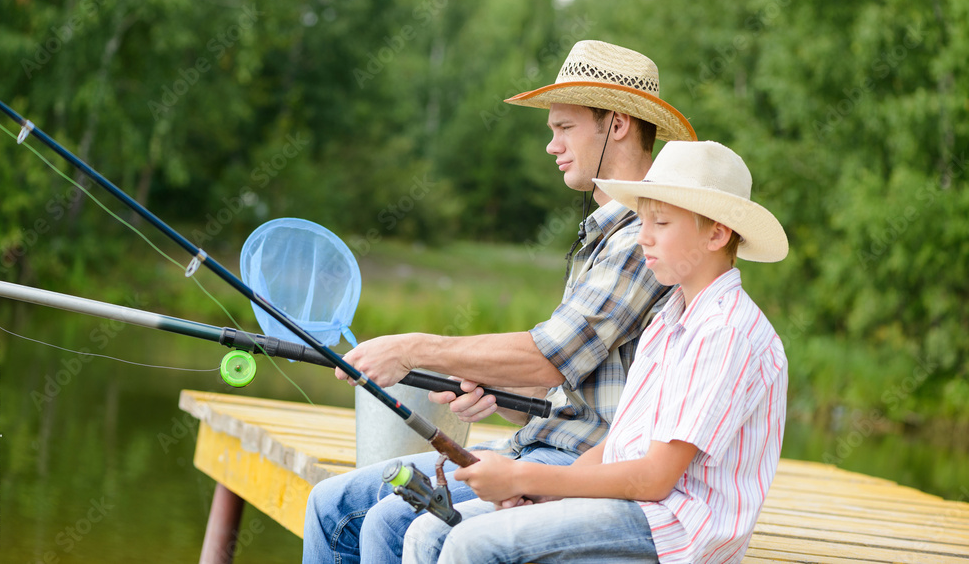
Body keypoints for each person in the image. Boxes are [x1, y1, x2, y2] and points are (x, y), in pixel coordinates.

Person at [302, 41, 697, 564]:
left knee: (391, 520)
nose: (552, 145)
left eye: (564, 127)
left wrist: (413, 349)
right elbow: (558, 381)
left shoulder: (640, 239)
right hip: (533, 448)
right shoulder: (603, 235)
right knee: (330, 504)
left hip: (579, 467)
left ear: (617, 124)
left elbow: (548, 355)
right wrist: (503, 395)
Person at [402, 140, 790, 564]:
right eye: (642, 221)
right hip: (626, 505)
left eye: (660, 223)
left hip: (673, 530)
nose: (643, 237)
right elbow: (616, 447)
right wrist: (538, 490)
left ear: (717, 232)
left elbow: (655, 478)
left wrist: (518, 474)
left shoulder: (726, 331)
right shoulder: (669, 319)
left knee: (472, 543)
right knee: (432, 530)